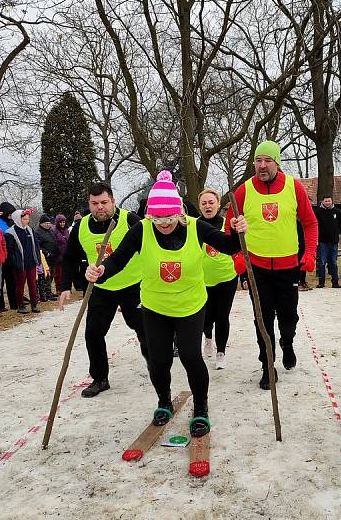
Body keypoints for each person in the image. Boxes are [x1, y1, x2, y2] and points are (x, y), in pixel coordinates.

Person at [86, 171, 246, 437]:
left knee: (190, 357)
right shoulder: (142, 229)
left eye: (169, 218)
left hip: (190, 306)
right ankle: (163, 401)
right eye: (157, 218)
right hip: (154, 307)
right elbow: (119, 260)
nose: (164, 224)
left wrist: (237, 230)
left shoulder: (196, 227)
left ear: (179, 213)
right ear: (150, 215)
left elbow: (230, 246)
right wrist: (101, 270)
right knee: (158, 360)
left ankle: (201, 407)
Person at [226, 140, 318, 389]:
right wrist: (237, 257)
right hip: (257, 269)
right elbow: (229, 228)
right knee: (262, 320)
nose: (262, 165)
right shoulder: (243, 191)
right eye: (258, 160)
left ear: (277, 162)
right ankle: (268, 365)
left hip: (288, 267)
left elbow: (310, 223)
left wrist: (309, 253)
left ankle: (287, 343)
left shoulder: (293, 187)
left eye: (267, 160)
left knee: (288, 318)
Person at [59, 182, 148, 398]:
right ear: (89, 204)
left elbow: (151, 248)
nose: (100, 207)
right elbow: (69, 257)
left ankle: (156, 364)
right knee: (93, 333)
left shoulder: (130, 221)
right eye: (95, 203)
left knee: (144, 330)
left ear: (113, 201)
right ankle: (100, 378)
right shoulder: (81, 227)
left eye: (104, 202)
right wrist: (64, 287)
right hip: (101, 288)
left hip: (133, 286)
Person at [198, 189, 239, 369]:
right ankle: (208, 338)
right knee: (206, 317)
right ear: (200, 207)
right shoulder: (194, 226)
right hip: (201, 280)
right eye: (204, 203)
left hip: (226, 277)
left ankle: (221, 352)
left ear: (218, 204)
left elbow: (238, 248)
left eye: (211, 202)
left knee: (222, 315)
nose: (208, 206)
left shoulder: (227, 225)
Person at [5, 209, 41, 314]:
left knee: (33, 284)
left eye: (27, 219)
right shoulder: (10, 233)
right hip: (20, 264)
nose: (27, 221)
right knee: (20, 285)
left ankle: (34, 304)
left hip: (31, 262)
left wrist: (37, 258)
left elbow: (36, 244)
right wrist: (15, 262)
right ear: (18, 219)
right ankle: (20, 305)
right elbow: (10, 250)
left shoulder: (29, 229)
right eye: (25, 219)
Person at [313, 196, 341, 288]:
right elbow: (314, 225)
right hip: (322, 241)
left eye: (329, 201)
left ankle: (335, 282)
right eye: (326, 201)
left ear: (332, 201)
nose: (327, 202)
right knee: (322, 262)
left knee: (333, 262)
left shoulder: (337, 211)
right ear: (322, 202)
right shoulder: (318, 212)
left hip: (333, 241)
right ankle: (321, 282)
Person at [0, 202, 17, 309]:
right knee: (0, 283)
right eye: (9, 213)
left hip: (11, 256)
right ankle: (0, 305)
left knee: (12, 281)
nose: (10, 215)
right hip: (1, 256)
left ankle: (14, 303)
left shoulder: (11, 222)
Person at [35, 214, 60, 299]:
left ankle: (49, 292)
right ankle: (46, 293)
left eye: (49, 223)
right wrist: (46, 253)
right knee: (47, 276)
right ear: (41, 223)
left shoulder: (50, 231)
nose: (48, 224)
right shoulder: (38, 232)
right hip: (45, 258)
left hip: (53, 257)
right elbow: (37, 245)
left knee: (51, 276)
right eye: (46, 223)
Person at [51, 213, 69, 292]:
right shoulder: (54, 230)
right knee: (58, 273)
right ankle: (58, 288)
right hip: (58, 255)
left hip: (66, 254)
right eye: (61, 222)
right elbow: (54, 243)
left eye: (63, 222)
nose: (62, 224)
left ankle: (65, 288)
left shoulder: (66, 230)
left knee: (66, 273)